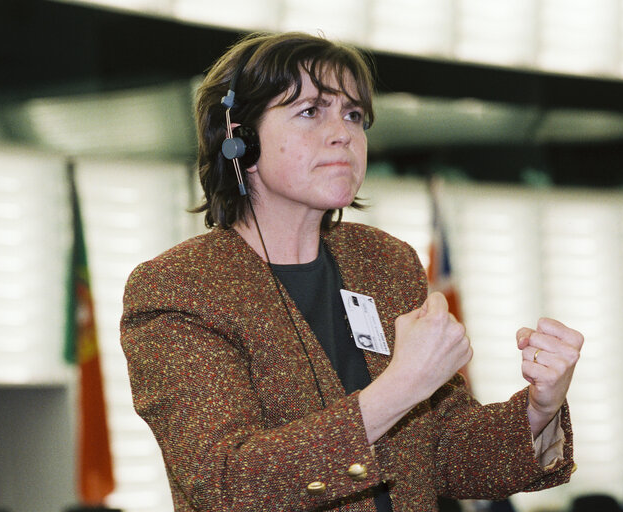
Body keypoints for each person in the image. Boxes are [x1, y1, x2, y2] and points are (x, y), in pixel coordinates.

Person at [121, 31, 583, 512]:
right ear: (240, 139)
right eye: (310, 111)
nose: (343, 133)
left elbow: (443, 453)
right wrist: (399, 388)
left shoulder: (384, 263)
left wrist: (539, 409)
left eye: (354, 114)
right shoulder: (181, 288)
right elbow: (227, 485)